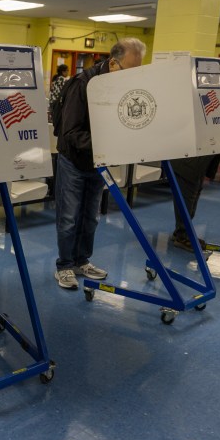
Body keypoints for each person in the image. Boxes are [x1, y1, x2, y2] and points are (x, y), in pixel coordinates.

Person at [54, 37, 146, 289]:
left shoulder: (121, 86)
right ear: (114, 64)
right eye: (130, 71)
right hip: (73, 160)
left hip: (97, 161)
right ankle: (64, 265)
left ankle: (82, 260)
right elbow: (71, 133)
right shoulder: (82, 84)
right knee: (69, 217)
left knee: (90, 217)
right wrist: (109, 144)